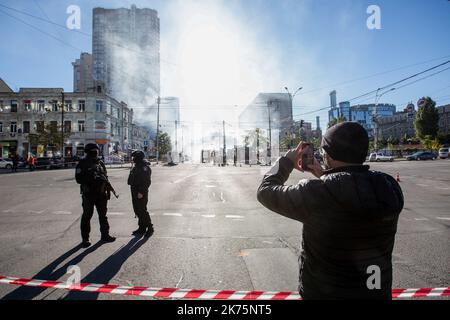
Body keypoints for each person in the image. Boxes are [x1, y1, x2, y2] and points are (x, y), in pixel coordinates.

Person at [257, 122, 404, 300]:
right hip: (375, 291)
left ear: (327, 153)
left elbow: (265, 191)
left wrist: (285, 161)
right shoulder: (389, 186)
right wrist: (325, 175)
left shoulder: (316, 192)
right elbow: (353, 190)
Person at [75, 143, 116, 248]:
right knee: (87, 216)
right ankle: (85, 239)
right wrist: (92, 177)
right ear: (88, 152)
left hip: (101, 194)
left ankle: (105, 235)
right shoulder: (82, 163)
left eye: (96, 150)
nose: (96, 152)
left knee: (103, 215)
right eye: (94, 151)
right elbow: (78, 179)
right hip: (89, 194)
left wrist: (107, 188)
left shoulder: (100, 163)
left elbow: (105, 177)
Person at [127, 150, 154, 237]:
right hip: (134, 191)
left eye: (134, 157)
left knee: (142, 210)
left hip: (140, 192)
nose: (133, 159)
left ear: (138, 158)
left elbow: (146, 182)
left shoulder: (144, 167)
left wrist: (141, 192)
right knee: (137, 210)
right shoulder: (136, 166)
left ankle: (150, 228)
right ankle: (141, 228)